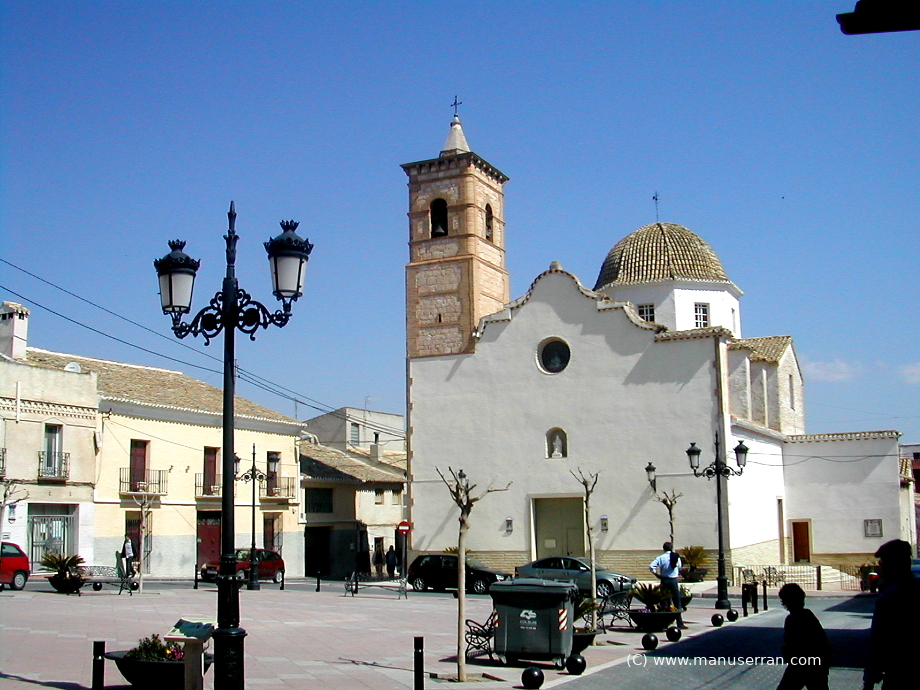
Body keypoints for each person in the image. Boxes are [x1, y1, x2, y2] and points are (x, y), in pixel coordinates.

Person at [863, 539, 920, 690]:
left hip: (899, 673)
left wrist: (870, 679)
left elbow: (879, 640)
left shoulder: (890, 597)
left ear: (892, 564)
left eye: (882, 563)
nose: (880, 568)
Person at [776, 583, 830, 690]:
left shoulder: (792, 619)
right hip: (816, 664)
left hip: (801, 665)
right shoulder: (808, 615)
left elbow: (793, 644)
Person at [649, 541, 685, 628]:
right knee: (677, 601)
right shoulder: (676, 556)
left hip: (664, 580)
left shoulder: (661, 558)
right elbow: (679, 566)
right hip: (673, 580)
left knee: (664, 602)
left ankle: (665, 622)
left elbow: (651, 566)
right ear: (671, 548)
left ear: (664, 549)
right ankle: (679, 623)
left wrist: (656, 574)